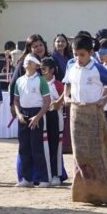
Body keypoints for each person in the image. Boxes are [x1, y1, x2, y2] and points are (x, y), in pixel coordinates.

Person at [63, 34, 107, 205]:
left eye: (82, 55)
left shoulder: (97, 69)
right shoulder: (72, 67)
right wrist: (66, 97)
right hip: (76, 114)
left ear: (91, 53)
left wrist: (104, 101)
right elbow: (67, 84)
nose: (78, 58)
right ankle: (85, 193)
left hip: (93, 114)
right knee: (79, 155)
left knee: (97, 155)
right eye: (75, 54)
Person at [13, 54, 52, 187]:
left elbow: (47, 102)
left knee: (37, 148)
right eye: (26, 61)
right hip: (23, 114)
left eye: (31, 61)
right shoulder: (19, 81)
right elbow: (16, 100)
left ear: (37, 66)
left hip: (37, 113)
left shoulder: (41, 80)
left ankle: (44, 178)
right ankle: (26, 178)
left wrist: (38, 116)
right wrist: (18, 114)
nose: (27, 62)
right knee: (24, 147)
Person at [40, 57, 68, 185]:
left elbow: (66, 97)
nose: (42, 72)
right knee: (44, 146)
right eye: (41, 69)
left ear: (52, 70)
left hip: (56, 116)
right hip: (42, 116)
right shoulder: (39, 82)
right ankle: (46, 174)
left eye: (45, 69)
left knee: (56, 146)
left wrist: (58, 103)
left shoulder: (58, 84)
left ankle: (56, 174)